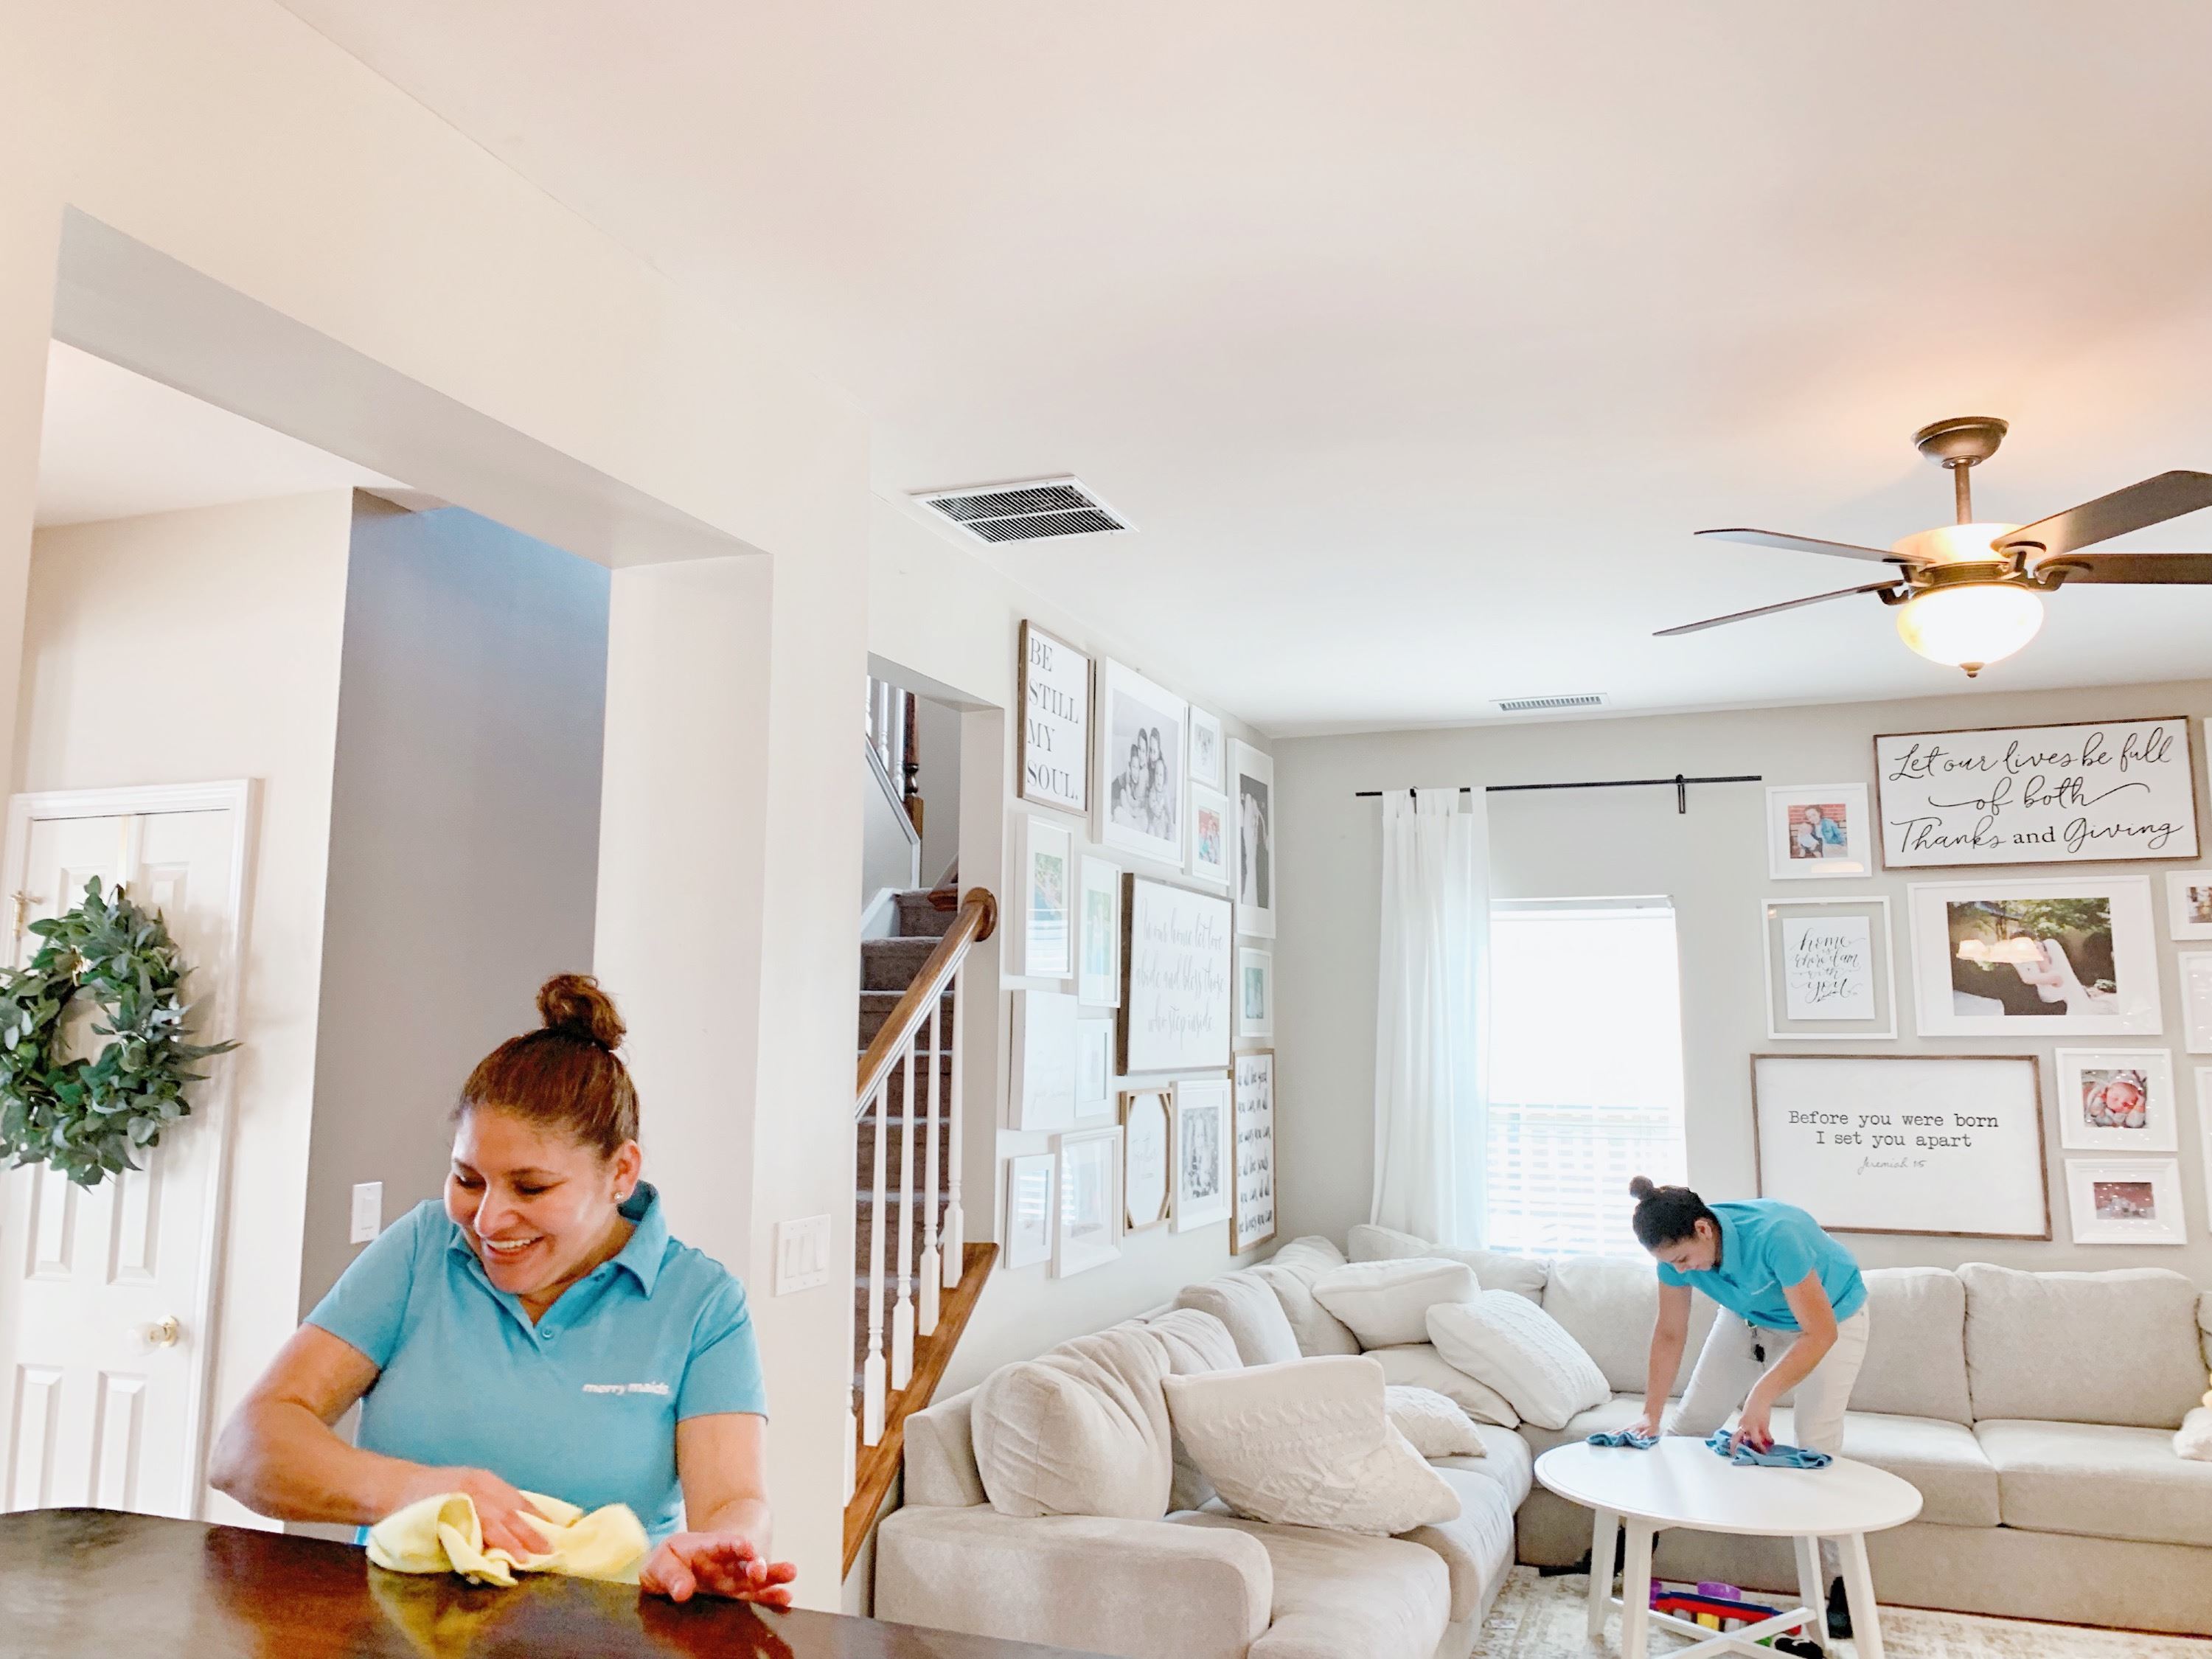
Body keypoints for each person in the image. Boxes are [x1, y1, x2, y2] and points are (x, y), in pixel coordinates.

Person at [210, 975, 794, 1607]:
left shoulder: (701, 1301)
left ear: (621, 1172)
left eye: (532, 1187)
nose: (488, 1220)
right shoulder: (420, 1250)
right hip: (389, 1635)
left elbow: (735, 1502)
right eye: (468, 1179)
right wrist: (414, 1491)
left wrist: (722, 1548)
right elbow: (246, 1451)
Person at [1624, 1176, 1870, 1639]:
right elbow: (1670, 1333)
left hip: (1830, 1318)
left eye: (1683, 1260)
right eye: (1669, 1265)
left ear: (1703, 1229)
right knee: (1688, 1426)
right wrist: (1650, 1414)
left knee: (1817, 1445)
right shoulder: (1673, 1256)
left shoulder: (1777, 1234)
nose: (1681, 1271)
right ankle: (1634, 1543)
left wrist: (1760, 1396)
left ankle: (1841, 1584)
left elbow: (1819, 1334)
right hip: (1750, 1320)